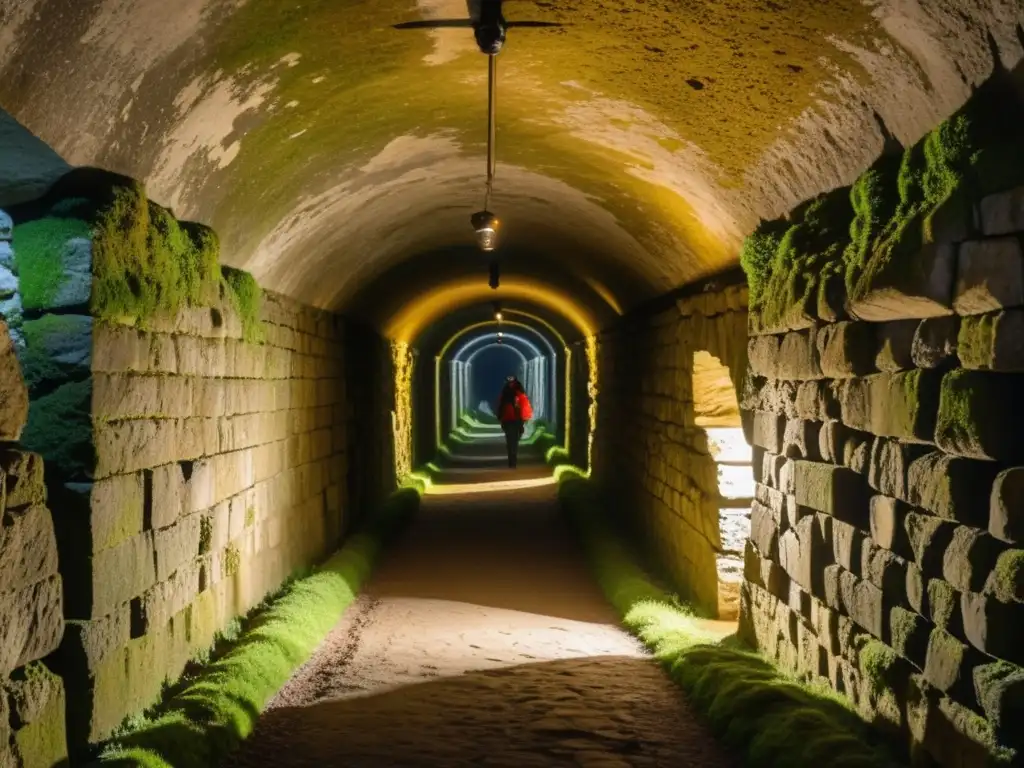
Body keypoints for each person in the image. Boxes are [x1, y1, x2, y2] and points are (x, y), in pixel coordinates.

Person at [496, 375, 533, 468]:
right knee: (513, 441)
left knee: (510, 441)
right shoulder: (518, 392)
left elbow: (500, 406)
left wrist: (500, 417)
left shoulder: (506, 392)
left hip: (511, 419)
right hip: (514, 419)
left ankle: (512, 460)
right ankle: (512, 460)